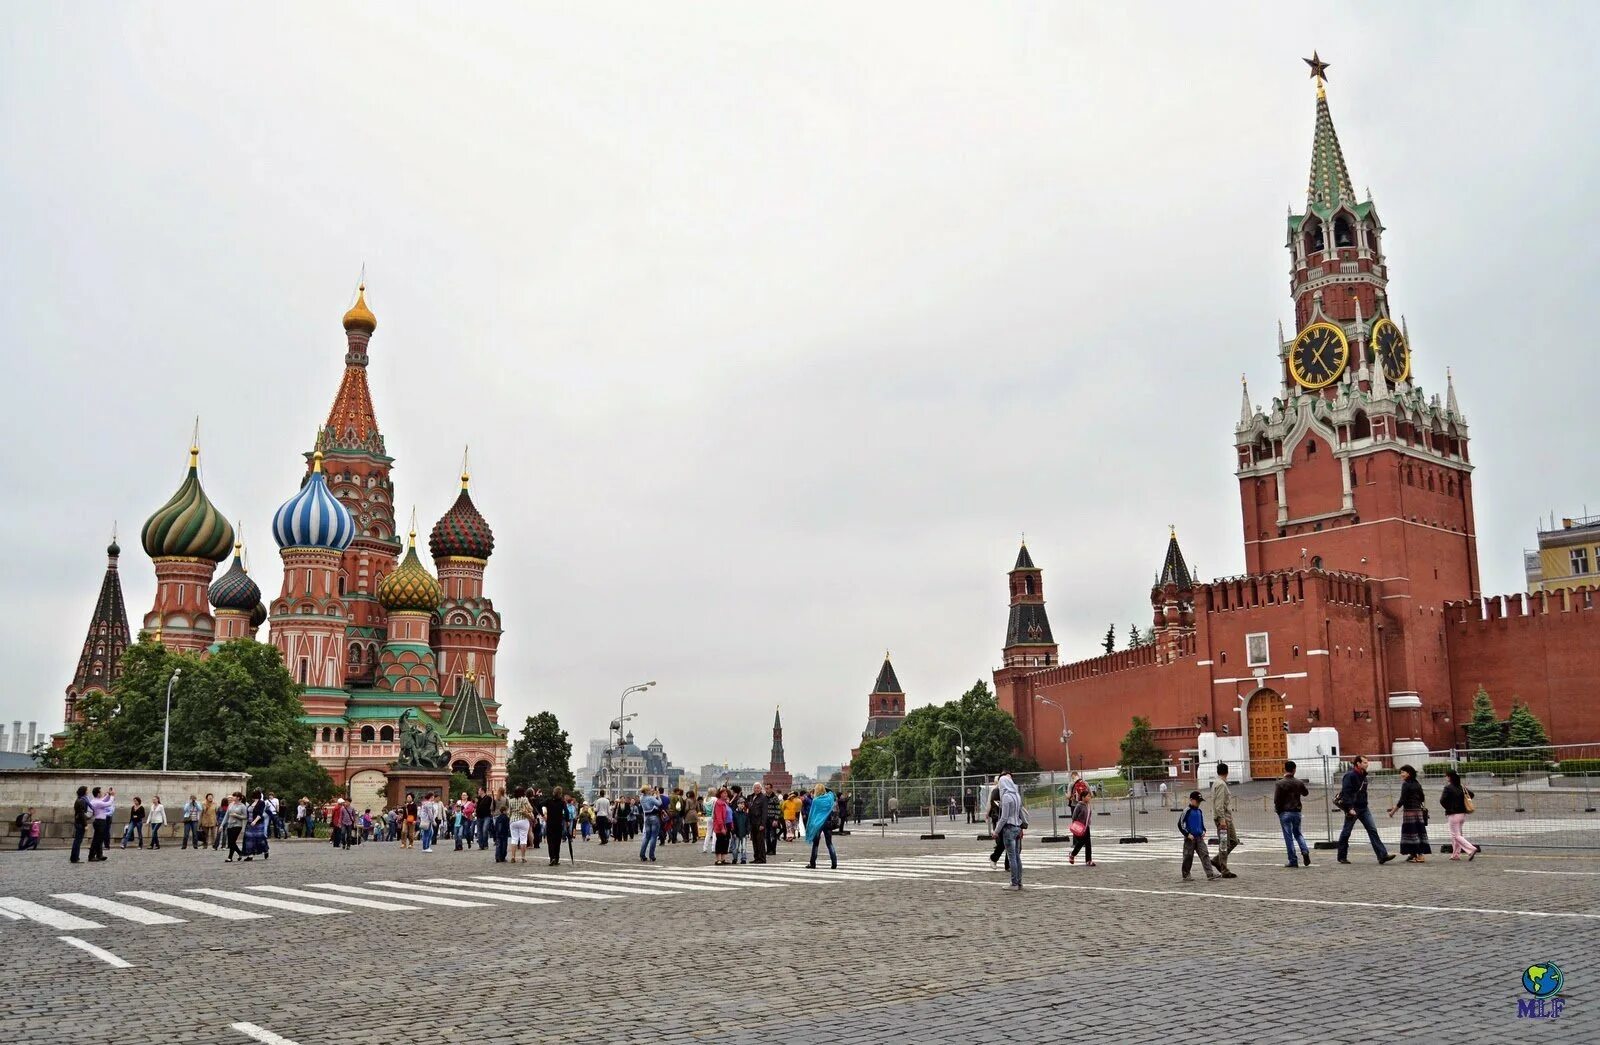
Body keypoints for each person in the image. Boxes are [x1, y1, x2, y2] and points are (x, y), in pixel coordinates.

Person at [1336, 755, 1397, 865]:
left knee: (1372, 830)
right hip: (1353, 808)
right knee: (1346, 832)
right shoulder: (1350, 776)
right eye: (1364, 762)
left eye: (1367, 762)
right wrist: (1349, 808)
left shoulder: (1364, 776)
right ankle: (1341, 856)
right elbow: (1346, 792)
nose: (1367, 764)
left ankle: (1382, 855)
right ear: (1358, 764)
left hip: (1363, 808)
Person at [1388, 765, 1431, 863]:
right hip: (1418, 812)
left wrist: (1393, 811)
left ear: (1409, 773)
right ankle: (1414, 855)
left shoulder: (1405, 784)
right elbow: (1422, 798)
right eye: (1401, 772)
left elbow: (1402, 800)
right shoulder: (1417, 783)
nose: (1401, 774)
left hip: (1409, 812)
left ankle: (1419, 856)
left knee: (1411, 833)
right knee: (1419, 832)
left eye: (1403, 772)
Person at [1273, 761, 1311, 868]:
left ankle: (1293, 860)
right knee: (1298, 833)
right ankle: (1304, 850)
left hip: (1284, 812)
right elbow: (1305, 793)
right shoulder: (1298, 782)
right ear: (1294, 770)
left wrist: (1278, 810)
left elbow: (1277, 800)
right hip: (1296, 811)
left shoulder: (1280, 783)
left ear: (1285, 769)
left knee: (1288, 837)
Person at [1178, 790, 1220, 882]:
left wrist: (1204, 831)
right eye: (1197, 801)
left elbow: (1201, 824)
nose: (1198, 803)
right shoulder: (1187, 811)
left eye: (1200, 801)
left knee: (1205, 854)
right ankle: (1186, 874)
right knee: (1188, 856)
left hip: (1199, 838)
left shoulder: (1199, 811)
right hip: (1190, 838)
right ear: (1191, 800)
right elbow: (1180, 824)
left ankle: (1210, 874)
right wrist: (1187, 834)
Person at [995, 772, 1026, 889]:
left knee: (1012, 857)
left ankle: (1014, 883)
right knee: (1017, 857)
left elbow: (1004, 817)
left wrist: (996, 831)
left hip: (1009, 828)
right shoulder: (1017, 795)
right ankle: (1019, 882)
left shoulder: (1006, 797)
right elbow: (1020, 813)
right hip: (1018, 827)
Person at [1439, 770, 1479, 861]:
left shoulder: (1448, 788)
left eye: (1446, 776)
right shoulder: (1461, 787)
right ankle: (1455, 855)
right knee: (1456, 835)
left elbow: (1442, 800)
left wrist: (1449, 807)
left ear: (1449, 777)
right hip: (1462, 814)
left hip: (1453, 814)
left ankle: (1471, 849)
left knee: (1456, 835)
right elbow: (1471, 794)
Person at [1209, 763, 1238, 878]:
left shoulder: (1217, 783)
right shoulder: (1221, 785)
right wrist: (1222, 820)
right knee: (1224, 843)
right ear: (1227, 772)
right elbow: (1219, 804)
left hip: (1226, 818)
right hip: (1224, 819)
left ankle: (1217, 860)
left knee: (1233, 841)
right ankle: (1224, 869)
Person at [805, 784, 838, 870]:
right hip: (827, 822)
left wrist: (810, 825)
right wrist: (826, 788)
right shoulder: (829, 798)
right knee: (829, 843)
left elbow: (812, 813)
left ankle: (813, 863)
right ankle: (834, 863)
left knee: (815, 844)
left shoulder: (816, 801)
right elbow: (832, 793)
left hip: (818, 823)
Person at [1067, 786, 1094, 867]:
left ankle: (1088, 860)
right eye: (1088, 796)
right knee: (1081, 842)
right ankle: (1072, 854)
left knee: (1088, 844)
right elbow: (1074, 817)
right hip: (1080, 827)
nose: (1089, 798)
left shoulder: (1088, 805)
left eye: (1090, 796)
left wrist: (1088, 823)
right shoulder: (1079, 805)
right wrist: (1078, 823)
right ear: (1083, 797)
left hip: (1086, 827)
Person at [88, 786, 115, 861]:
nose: (102, 792)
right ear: (98, 794)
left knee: (100, 839)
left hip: (99, 821)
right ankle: (91, 856)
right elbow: (108, 804)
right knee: (96, 840)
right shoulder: (97, 802)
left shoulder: (95, 800)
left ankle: (99, 855)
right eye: (101, 791)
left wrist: (108, 795)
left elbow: (103, 800)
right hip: (100, 822)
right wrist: (112, 796)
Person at [507, 787, 533, 863]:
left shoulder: (511, 800)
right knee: (523, 839)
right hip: (523, 820)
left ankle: (513, 856)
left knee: (514, 839)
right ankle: (523, 857)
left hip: (513, 821)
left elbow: (509, 813)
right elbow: (530, 809)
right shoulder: (524, 799)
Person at [544, 786, 569, 866]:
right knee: (557, 842)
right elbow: (567, 812)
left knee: (550, 842)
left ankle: (552, 858)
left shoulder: (548, 800)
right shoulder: (562, 802)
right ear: (560, 794)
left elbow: (539, 805)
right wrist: (567, 820)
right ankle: (557, 858)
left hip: (550, 823)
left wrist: (542, 815)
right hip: (558, 824)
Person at [639, 786, 662, 863]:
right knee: (653, 837)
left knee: (646, 837)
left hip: (646, 818)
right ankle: (651, 856)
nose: (651, 790)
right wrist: (658, 796)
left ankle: (642, 855)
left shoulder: (641, 798)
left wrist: (653, 794)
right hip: (654, 817)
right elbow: (659, 804)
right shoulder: (651, 798)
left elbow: (649, 799)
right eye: (650, 789)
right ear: (647, 791)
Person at [224, 792, 249, 861]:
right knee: (231, 842)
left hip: (237, 825)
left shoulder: (242, 806)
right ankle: (238, 853)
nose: (233, 797)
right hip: (229, 824)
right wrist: (222, 825)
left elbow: (245, 816)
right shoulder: (230, 805)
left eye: (234, 796)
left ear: (238, 798)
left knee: (232, 841)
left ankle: (230, 857)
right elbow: (226, 815)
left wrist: (237, 815)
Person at [70, 785, 92, 863]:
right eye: (87, 790)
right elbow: (82, 813)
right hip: (80, 823)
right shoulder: (82, 801)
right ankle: (75, 858)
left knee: (77, 841)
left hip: (78, 822)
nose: (88, 791)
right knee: (78, 841)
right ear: (84, 791)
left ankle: (74, 857)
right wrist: (85, 824)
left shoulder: (79, 799)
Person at [711, 787, 733, 865]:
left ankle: (723, 858)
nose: (725, 794)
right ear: (720, 794)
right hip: (721, 825)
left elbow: (730, 814)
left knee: (726, 842)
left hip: (728, 825)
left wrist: (731, 824)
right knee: (720, 841)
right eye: (724, 793)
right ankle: (718, 859)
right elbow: (719, 816)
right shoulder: (719, 803)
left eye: (726, 793)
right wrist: (722, 827)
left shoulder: (725, 803)